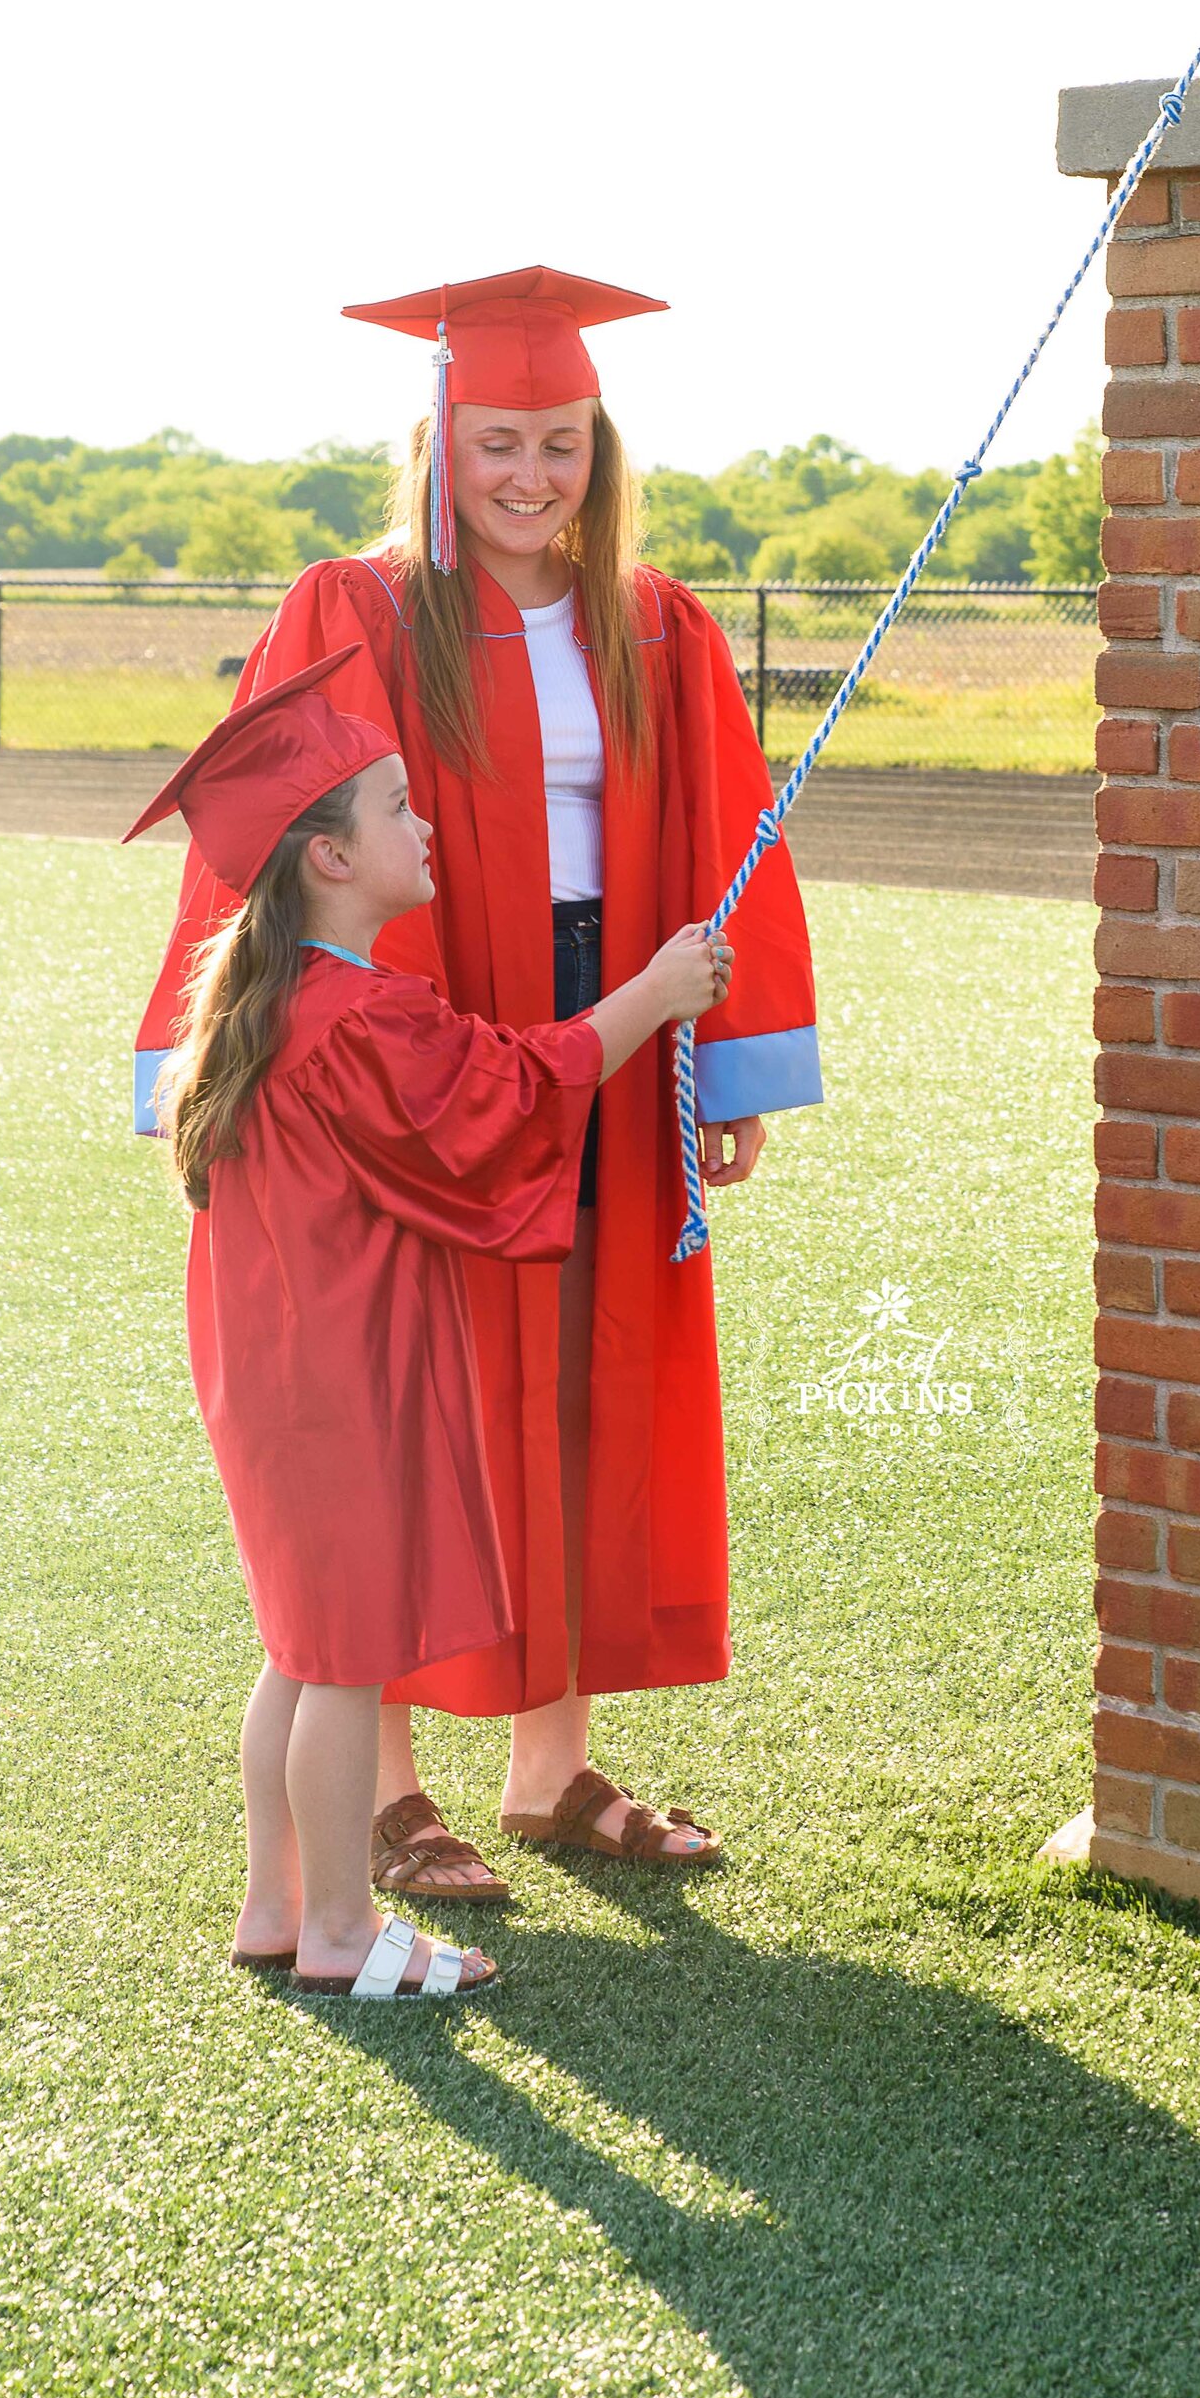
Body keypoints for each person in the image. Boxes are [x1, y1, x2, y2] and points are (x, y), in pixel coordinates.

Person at [135, 265, 821, 1903]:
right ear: (443, 441)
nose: (533, 476)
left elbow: (729, 838)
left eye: (563, 443)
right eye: (501, 440)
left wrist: (716, 1060)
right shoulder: (358, 610)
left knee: (585, 1370)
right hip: (438, 1040)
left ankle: (551, 1766)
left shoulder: (656, 621)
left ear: (603, 446)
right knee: (421, 1392)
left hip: (612, 1018)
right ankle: (382, 1785)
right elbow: (288, 859)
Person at [135, 650, 733, 1998]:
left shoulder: (275, 1002)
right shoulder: (359, 1014)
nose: (427, 823)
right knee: (342, 1660)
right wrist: (654, 990)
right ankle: (341, 1928)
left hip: (281, 1375)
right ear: (330, 859)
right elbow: (512, 1090)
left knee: (299, 1645)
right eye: (401, 806)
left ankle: (274, 1902)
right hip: (341, 1382)